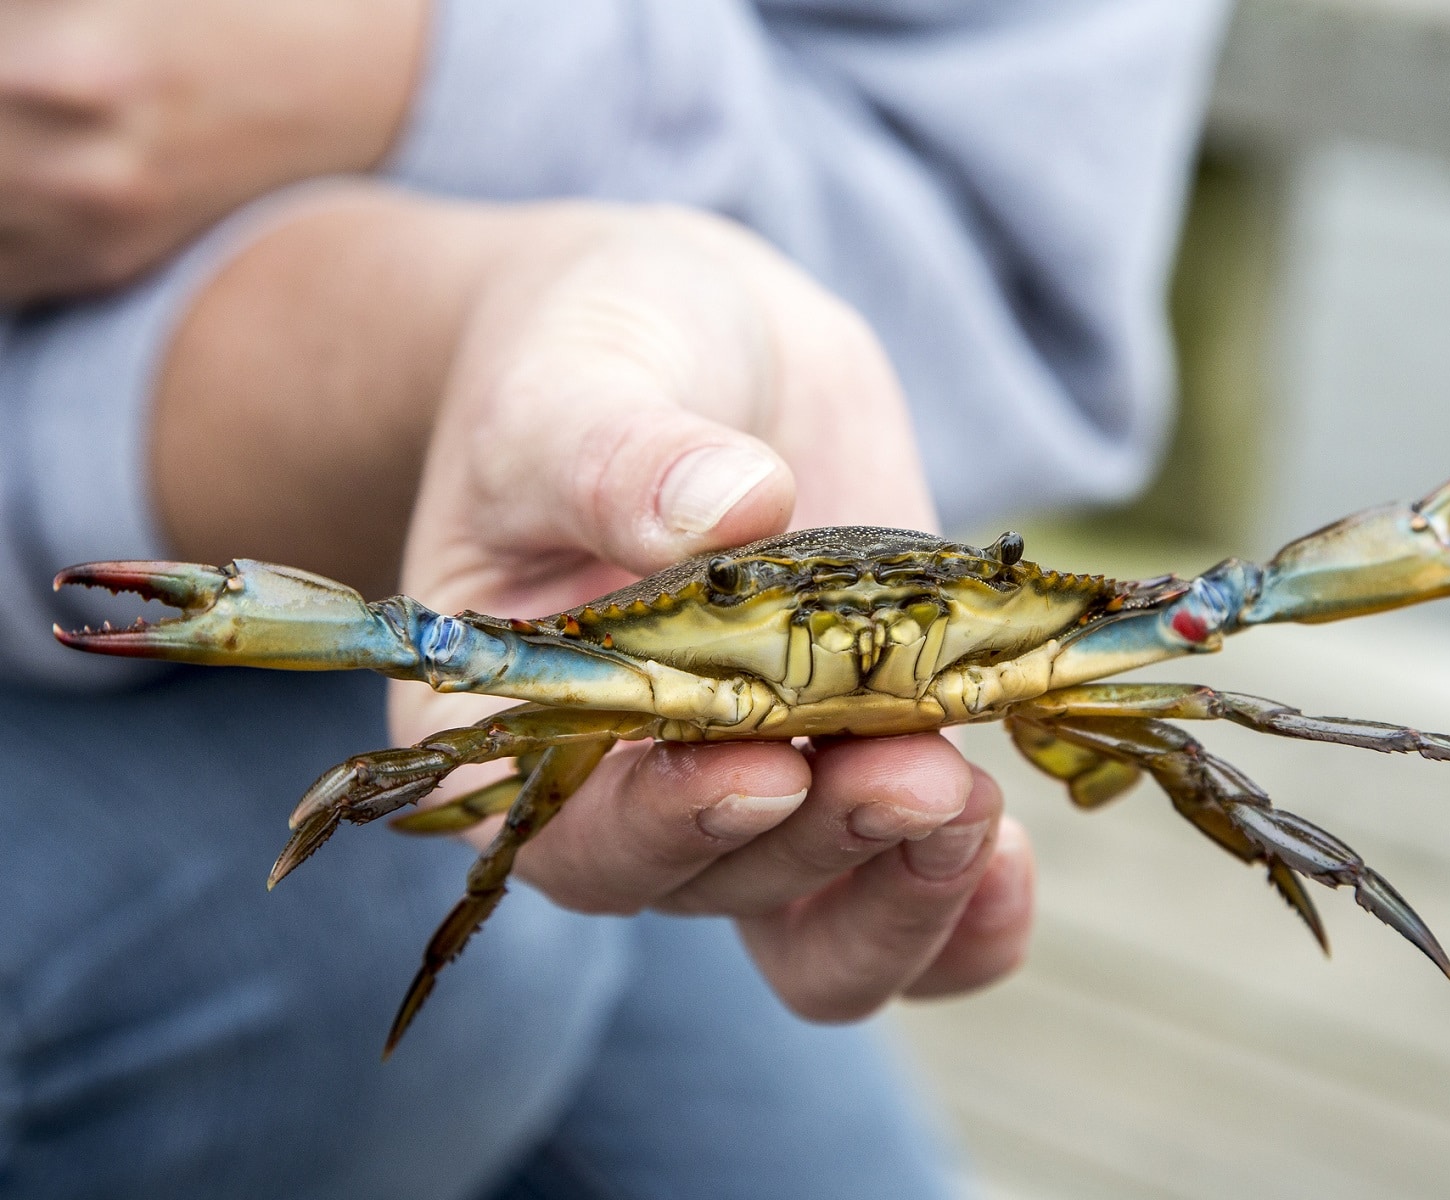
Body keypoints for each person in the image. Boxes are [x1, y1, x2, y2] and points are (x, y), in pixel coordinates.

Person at [0, 2, 1231, 1196]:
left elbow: (1012, 268)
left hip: (453, 428)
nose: (855, 635)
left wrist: (428, 82)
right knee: (397, 920)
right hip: (226, 535)